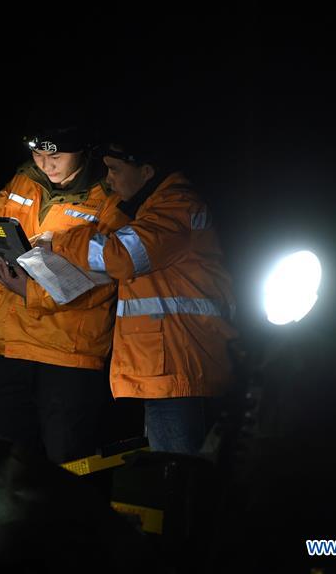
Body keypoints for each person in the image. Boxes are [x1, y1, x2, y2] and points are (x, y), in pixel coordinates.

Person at [37, 131, 238, 454]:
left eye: (115, 169)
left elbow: (120, 257)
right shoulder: (156, 208)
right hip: (168, 363)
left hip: (178, 363)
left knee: (177, 474)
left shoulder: (176, 206)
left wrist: (59, 241)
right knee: (170, 472)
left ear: (146, 171)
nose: (109, 178)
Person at [0, 119, 119, 464]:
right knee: (7, 465)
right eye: (37, 155)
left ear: (83, 151)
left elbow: (104, 277)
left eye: (55, 157)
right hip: (7, 346)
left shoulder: (110, 197)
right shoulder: (25, 179)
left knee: (66, 468)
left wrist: (29, 291)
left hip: (67, 354)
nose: (45, 164)